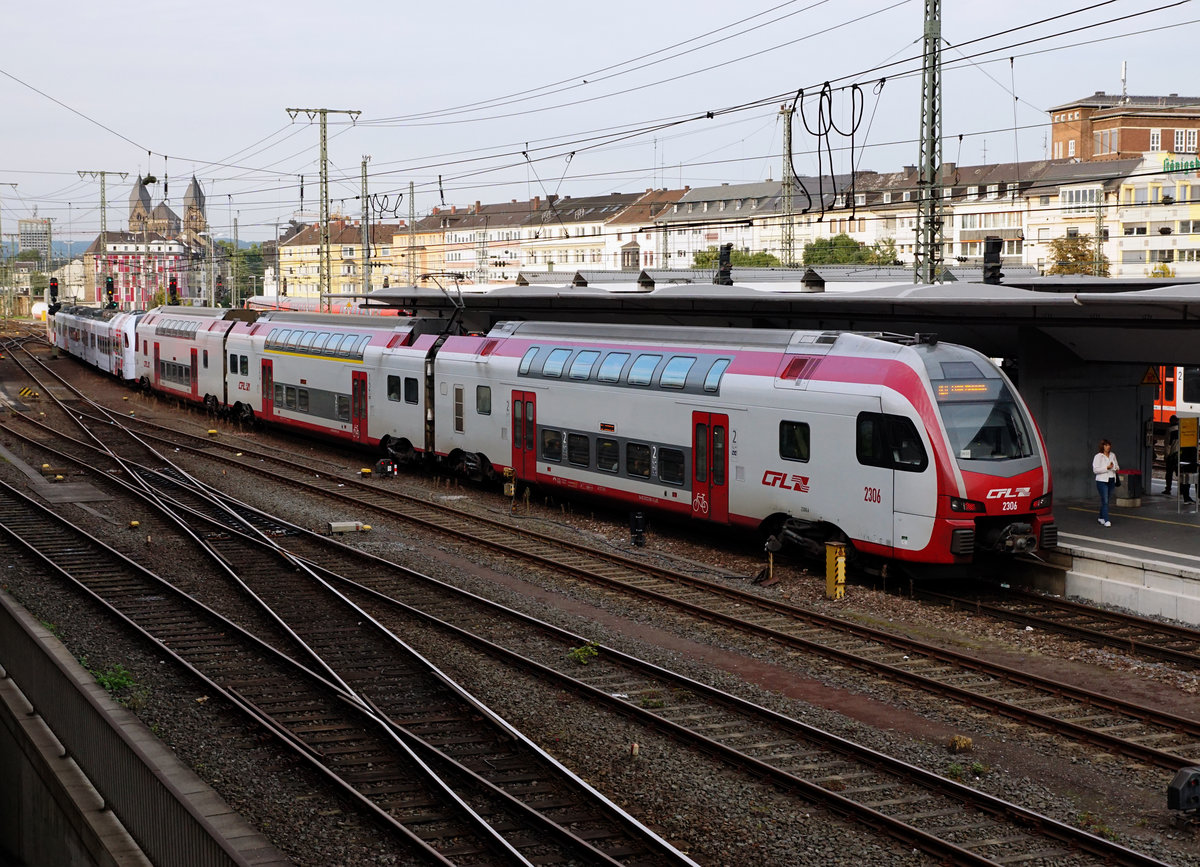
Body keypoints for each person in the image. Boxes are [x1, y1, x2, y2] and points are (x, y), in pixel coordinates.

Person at [1092, 439, 1119, 527]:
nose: (1108, 447)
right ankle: (1106, 520)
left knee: (1106, 500)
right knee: (1105, 500)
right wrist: (1107, 467)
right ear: (1102, 446)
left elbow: (1117, 466)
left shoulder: (1112, 455)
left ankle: (1101, 517)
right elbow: (1095, 470)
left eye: (1109, 445)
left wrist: (1114, 467)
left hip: (1111, 479)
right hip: (1102, 480)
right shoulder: (1098, 456)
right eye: (1106, 445)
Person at [1164, 415, 1180, 495]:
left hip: (1172, 455)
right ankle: (1182, 491)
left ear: (1171, 421)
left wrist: (1166, 455)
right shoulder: (1181, 430)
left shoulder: (1170, 430)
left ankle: (1168, 489)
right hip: (1180, 455)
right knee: (1180, 473)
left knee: (1169, 473)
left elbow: (1167, 444)